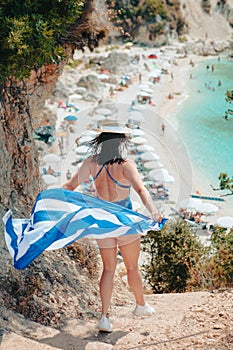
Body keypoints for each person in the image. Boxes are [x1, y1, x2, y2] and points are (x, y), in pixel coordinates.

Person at [61, 120, 163, 333]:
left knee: (108, 269)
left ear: (101, 140)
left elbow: (70, 187)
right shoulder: (126, 165)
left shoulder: (91, 163)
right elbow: (141, 190)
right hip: (124, 221)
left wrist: (51, 197)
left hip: (102, 221)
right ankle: (141, 306)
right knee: (133, 267)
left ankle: (105, 317)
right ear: (121, 142)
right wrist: (153, 209)